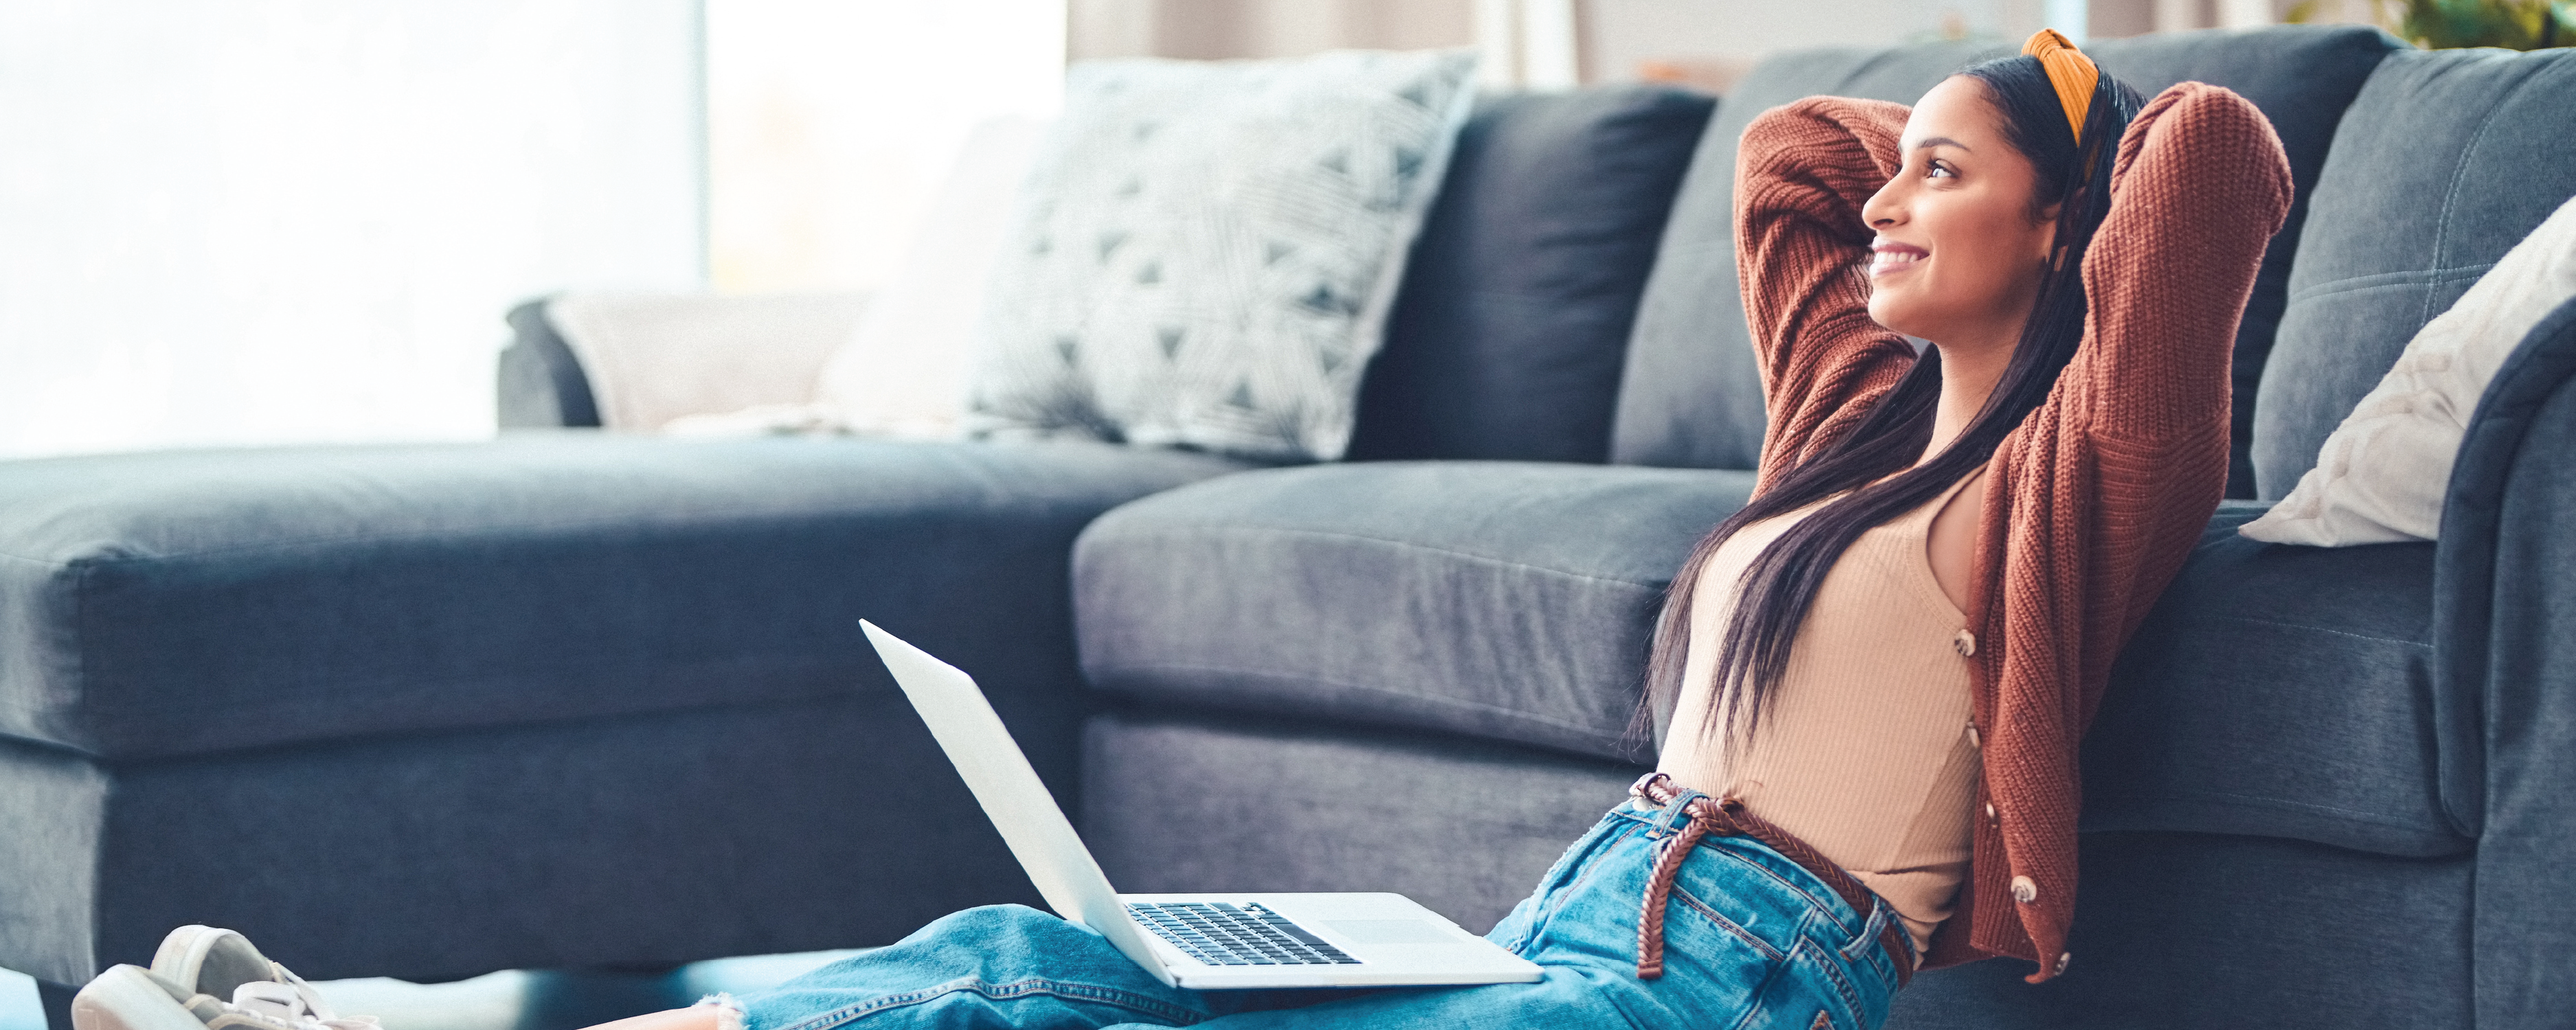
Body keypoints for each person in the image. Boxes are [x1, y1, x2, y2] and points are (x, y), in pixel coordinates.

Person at [69, 30, 2291, 1030]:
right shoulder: (1841, 428)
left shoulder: (2070, 481)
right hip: (1558, 910)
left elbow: (2213, 170)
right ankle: (380, 1018)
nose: (1879, 194)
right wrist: (1948, 132)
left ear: (2060, 227)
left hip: (1727, 979)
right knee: (1022, 956)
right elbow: (1778, 165)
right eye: (1899, 163)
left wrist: (2067, 103)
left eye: (1944, 170)